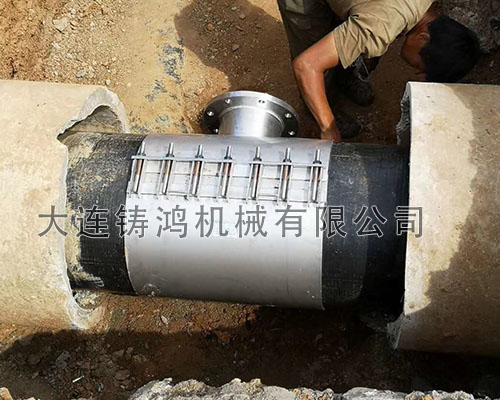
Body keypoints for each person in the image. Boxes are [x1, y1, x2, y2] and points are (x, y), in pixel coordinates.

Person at [277, 0, 481, 142]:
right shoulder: (380, 26)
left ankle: (344, 77)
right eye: (420, 66)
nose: (416, 72)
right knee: (315, 50)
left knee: (352, 40)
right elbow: (306, 66)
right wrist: (327, 129)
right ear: (423, 38)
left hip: (375, 15)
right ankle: (322, 105)